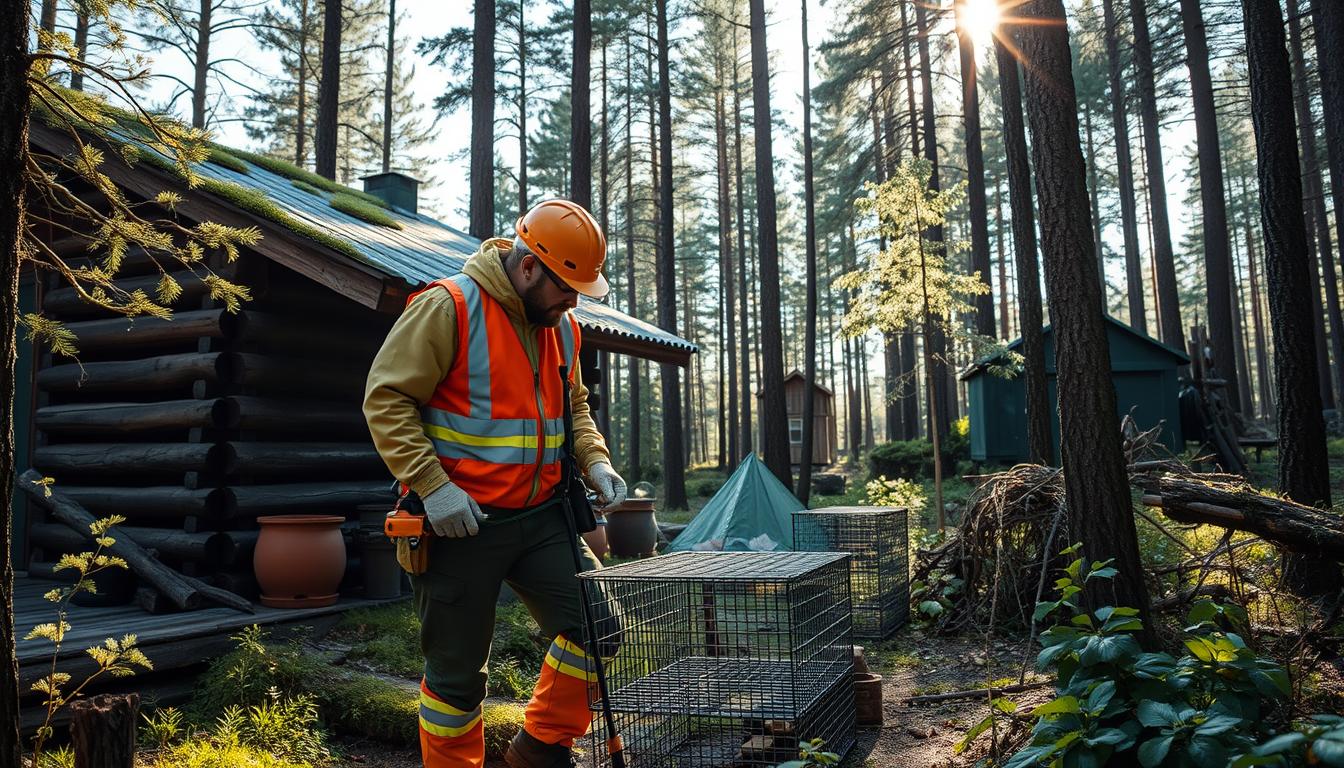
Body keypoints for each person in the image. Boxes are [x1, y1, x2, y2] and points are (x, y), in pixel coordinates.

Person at [363, 199, 628, 768]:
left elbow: (573, 407)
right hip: (459, 525)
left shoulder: (563, 328)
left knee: (599, 629)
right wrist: (433, 487)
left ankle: (537, 750)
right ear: (529, 266)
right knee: (455, 684)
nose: (574, 301)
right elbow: (386, 400)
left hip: (543, 519)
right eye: (566, 286)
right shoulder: (448, 307)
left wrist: (595, 461)